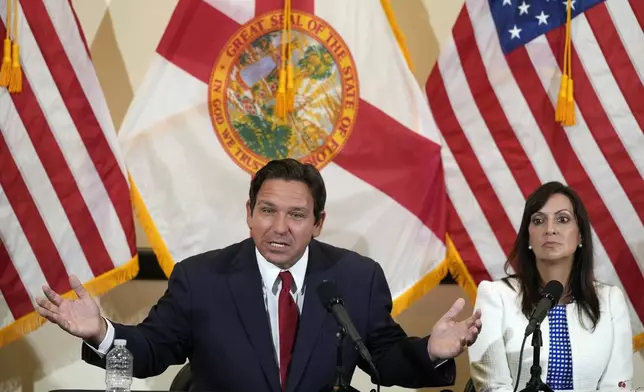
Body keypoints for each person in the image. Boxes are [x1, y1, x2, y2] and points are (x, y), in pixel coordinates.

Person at [37, 158, 482, 392]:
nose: (280, 227)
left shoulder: (355, 277)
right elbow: (153, 350)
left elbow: (382, 357)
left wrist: (431, 350)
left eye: (296, 215)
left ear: (318, 223)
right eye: (267, 211)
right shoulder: (201, 278)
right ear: (249, 214)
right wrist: (101, 333)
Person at [468, 181, 633, 392]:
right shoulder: (495, 296)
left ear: (581, 235)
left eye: (563, 219)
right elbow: (492, 386)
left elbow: (617, 387)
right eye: (538, 220)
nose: (550, 229)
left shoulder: (610, 300)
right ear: (528, 236)